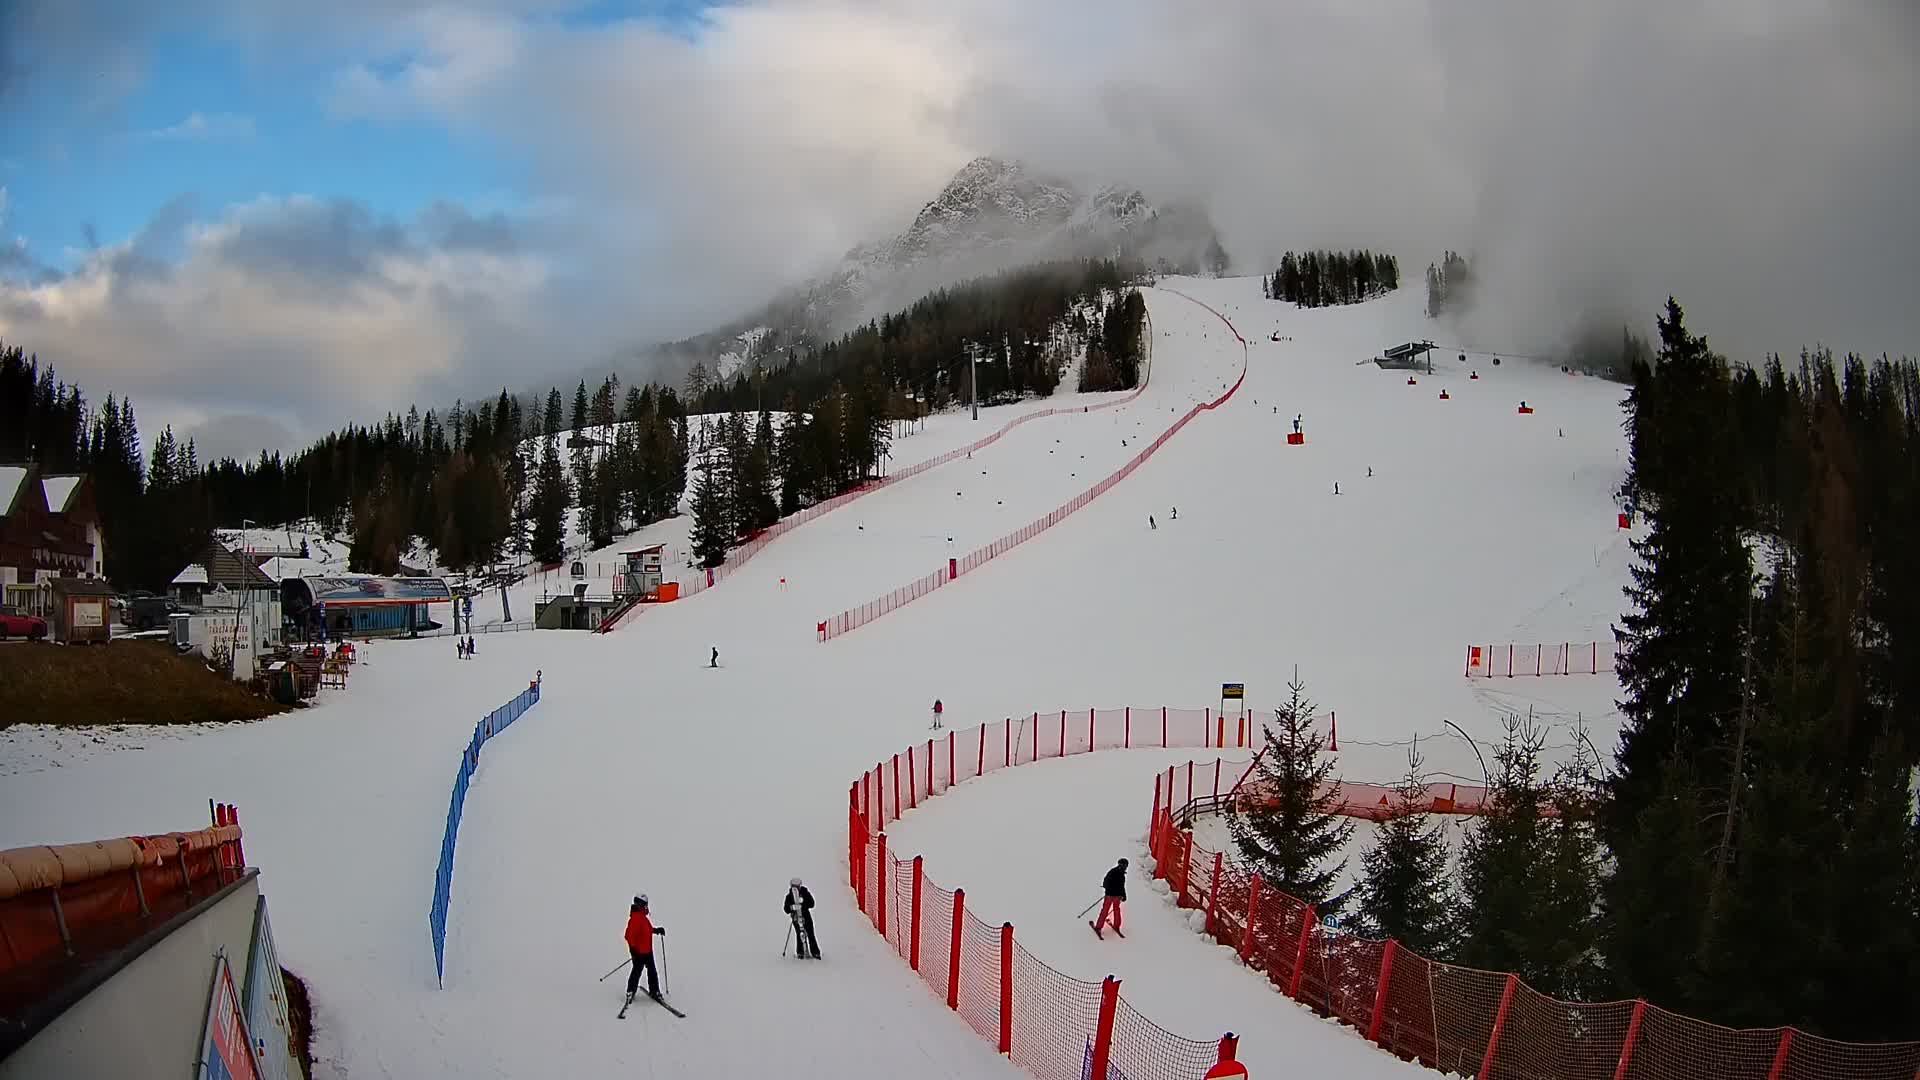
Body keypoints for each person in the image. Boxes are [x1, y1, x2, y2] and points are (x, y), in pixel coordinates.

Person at [624, 895, 665, 1002]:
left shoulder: (643, 918)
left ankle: (655, 991)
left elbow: (647, 929)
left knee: (652, 971)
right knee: (637, 971)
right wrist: (633, 950)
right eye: (645, 904)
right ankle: (630, 991)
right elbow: (628, 936)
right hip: (639, 952)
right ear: (641, 904)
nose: (647, 907)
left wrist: (656, 930)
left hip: (647, 951)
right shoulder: (635, 918)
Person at [785, 878, 821, 959]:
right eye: (794, 886)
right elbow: (786, 909)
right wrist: (792, 907)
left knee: (810, 933)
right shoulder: (789, 896)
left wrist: (803, 904)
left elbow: (812, 904)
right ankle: (800, 952)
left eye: (797, 886)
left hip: (806, 916)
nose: (795, 888)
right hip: (796, 917)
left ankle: (815, 952)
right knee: (799, 934)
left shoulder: (805, 893)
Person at [1092, 858, 1128, 938]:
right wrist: (1109, 890)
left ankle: (1116, 925)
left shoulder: (1122, 874)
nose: (1124, 867)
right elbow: (1105, 882)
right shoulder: (1113, 872)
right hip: (1110, 895)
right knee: (1105, 910)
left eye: (1125, 866)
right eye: (1123, 865)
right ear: (1120, 864)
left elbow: (1122, 887)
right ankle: (1099, 927)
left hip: (1117, 896)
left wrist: (1124, 895)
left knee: (1116, 910)